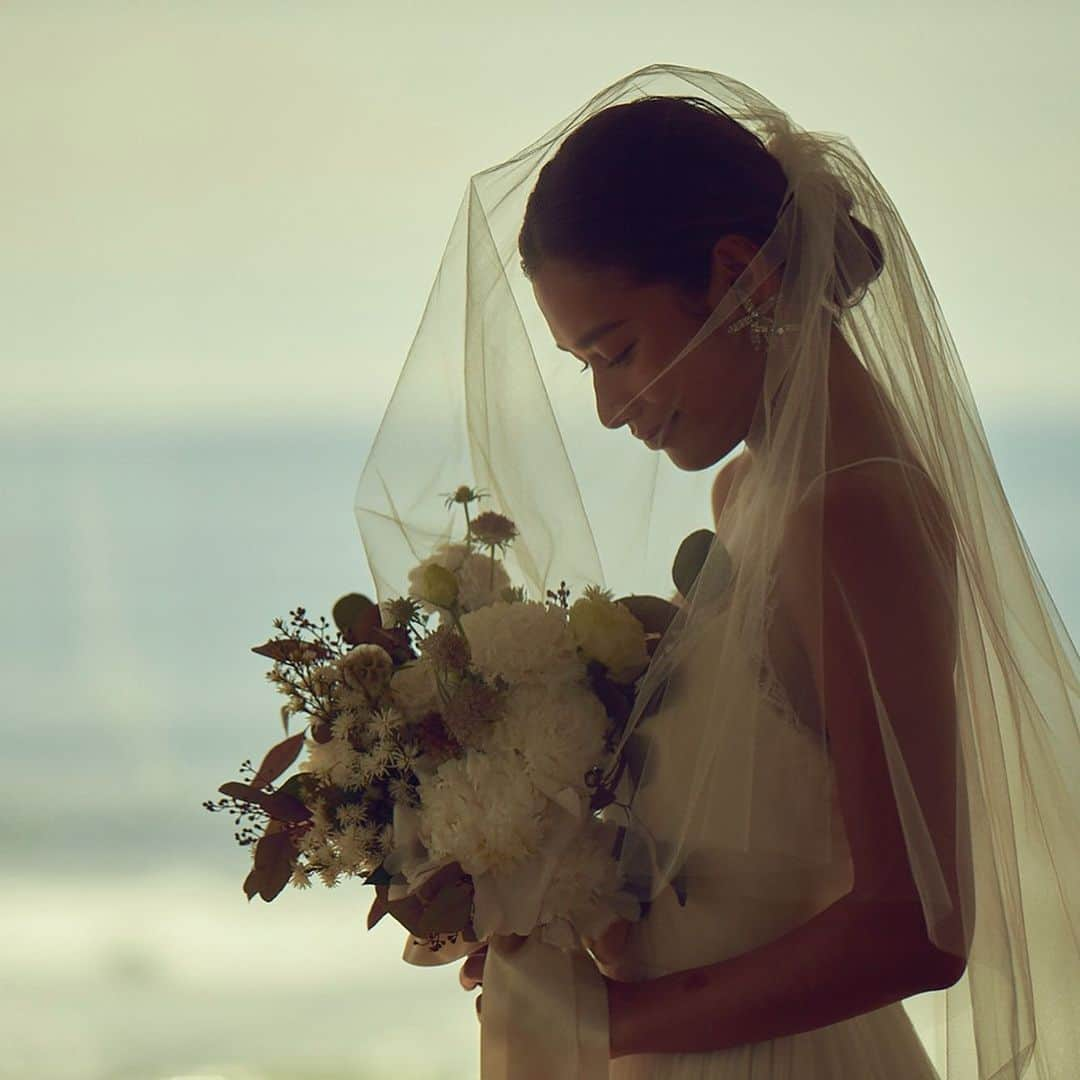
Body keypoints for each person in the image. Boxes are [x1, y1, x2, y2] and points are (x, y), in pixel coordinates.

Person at [356, 65, 1079, 1079]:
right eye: (587, 367)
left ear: (743, 277)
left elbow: (918, 927)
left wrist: (611, 1024)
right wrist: (550, 894)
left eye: (617, 350)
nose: (611, 408)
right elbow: (745, 857)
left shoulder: (855, 515)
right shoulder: (747, 496)